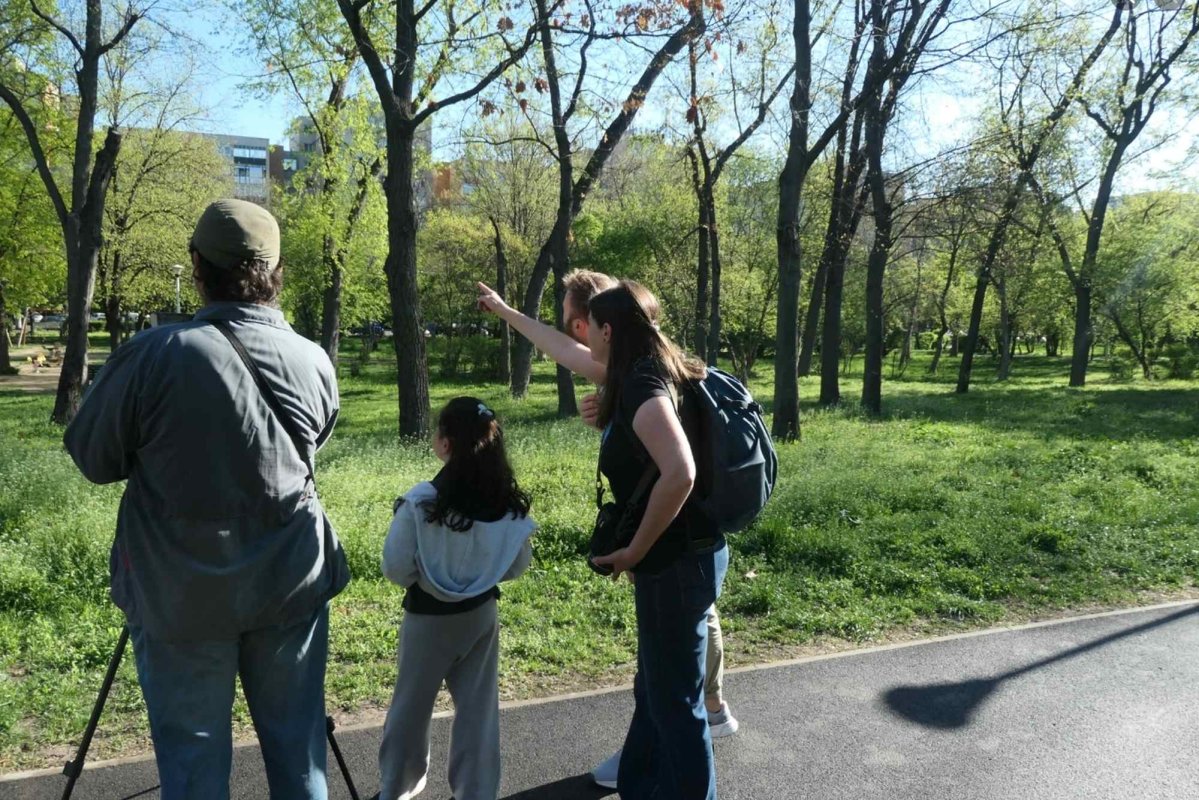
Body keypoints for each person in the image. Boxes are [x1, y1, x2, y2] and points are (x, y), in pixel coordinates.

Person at [63, 199, 348, 800]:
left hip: (178, 596)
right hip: (290, 582)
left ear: (197, 265)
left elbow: (94, 459)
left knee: (193, 770)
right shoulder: (313, 360)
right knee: (300, 755)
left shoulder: (154, 354)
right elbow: (312, 441)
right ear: (275, 272)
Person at [477, 271, 738, 790]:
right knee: (658, 690)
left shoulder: (641, 382)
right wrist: (505, 311)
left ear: (609, 331)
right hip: (696, 552)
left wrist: (634, 551)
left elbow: (680, 472)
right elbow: (561, 349)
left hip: (672, 560)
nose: (582, 337)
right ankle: (639, 782)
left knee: (677, 706)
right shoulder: (659, 366)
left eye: (588, 327)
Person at [378, 396, 537, 800]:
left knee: (411, 711)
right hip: (481, 616)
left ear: (445, 443)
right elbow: (517, 566)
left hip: (427, 621)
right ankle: (477, 791)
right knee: (479, 711)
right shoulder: (505, 503)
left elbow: (396, 568)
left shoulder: (422, 502)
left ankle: (397, 787)